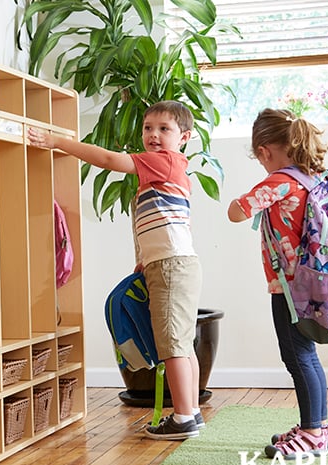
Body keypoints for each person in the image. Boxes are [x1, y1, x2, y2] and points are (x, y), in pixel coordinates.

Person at [28, 100, 204, 440]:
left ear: (184, 136)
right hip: (172, 263)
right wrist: (148, 258)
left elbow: (109, 160)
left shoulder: (162, 162)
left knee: (172, 346)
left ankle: (183, 417)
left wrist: (57, 142)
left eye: (163, 129)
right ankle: (191, 411)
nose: (153, 135)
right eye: (148, 128)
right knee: (181, 343)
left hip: (171, 266)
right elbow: (170, 222)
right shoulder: (169, 170)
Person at [227, 108, 328, 459]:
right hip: (313, 282)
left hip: (288, 289)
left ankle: (312, 433)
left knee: (297, 358)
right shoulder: (312, 177)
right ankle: (318, 426)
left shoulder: (279, 180)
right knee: (308, 356)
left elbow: (237, 211)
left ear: (263, 151)